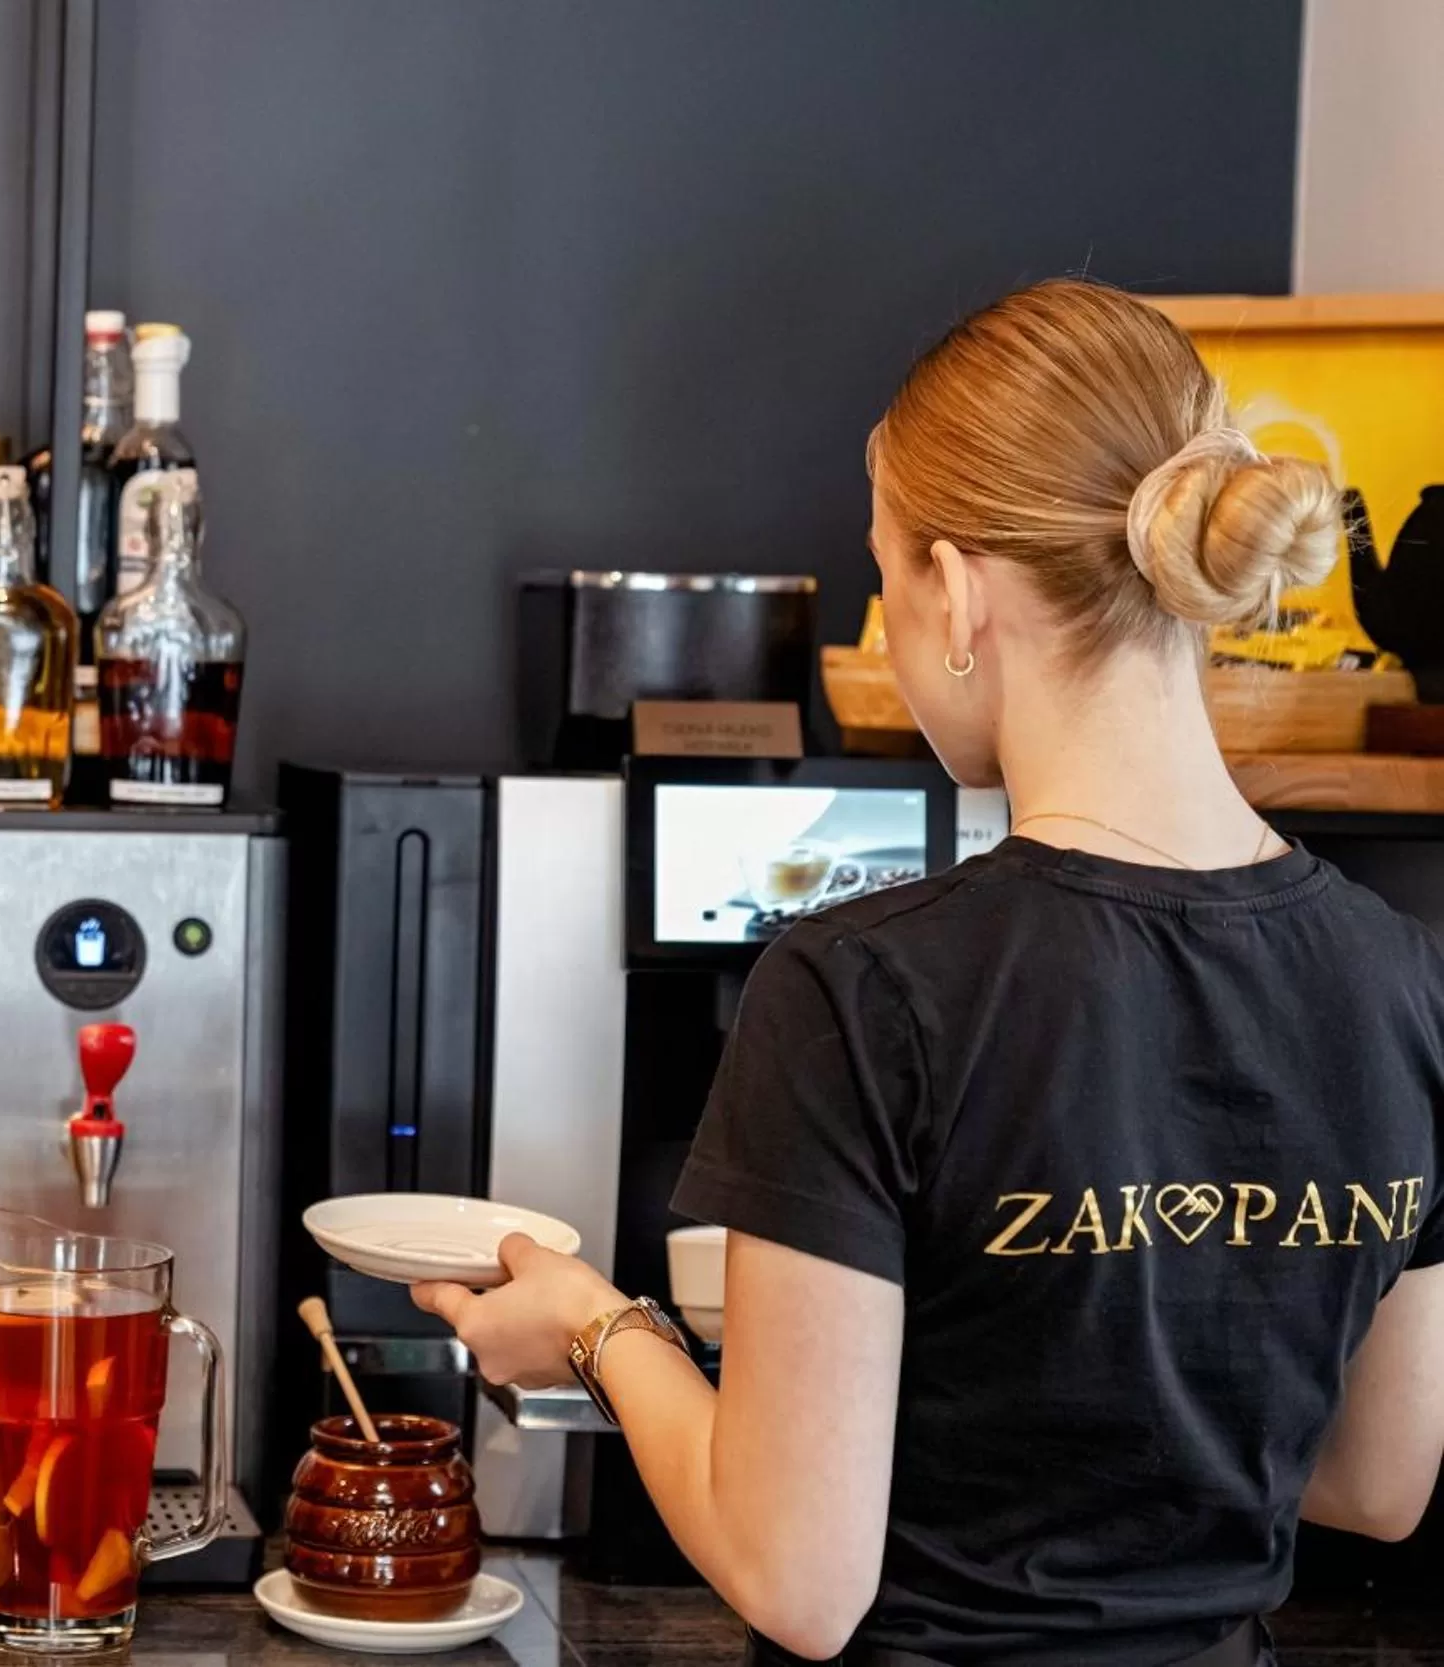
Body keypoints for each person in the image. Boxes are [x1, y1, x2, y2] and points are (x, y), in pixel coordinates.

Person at [413, 278, 1444, 1667]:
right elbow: (1378, 1483)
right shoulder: (1403, 980)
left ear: (956, 591)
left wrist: (598, 1327)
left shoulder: (859, 986)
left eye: (884, 574)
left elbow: (799, 1579)